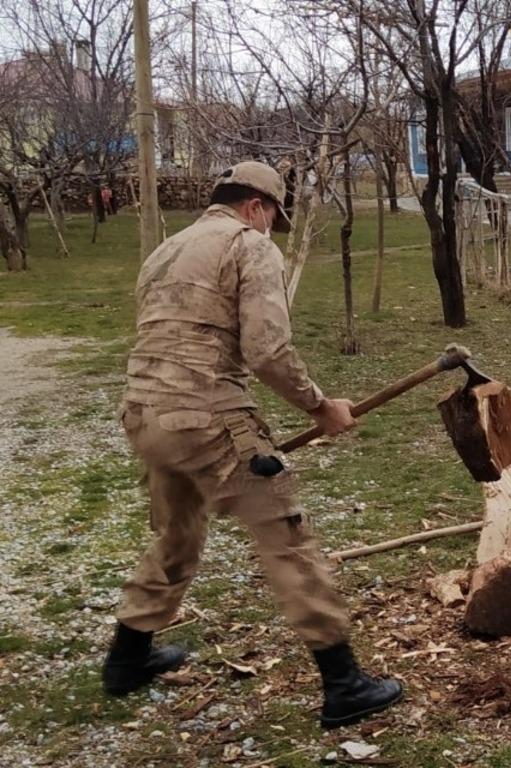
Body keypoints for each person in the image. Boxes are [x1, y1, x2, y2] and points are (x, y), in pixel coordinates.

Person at [103, 161, 403, 729]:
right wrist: (320, 406)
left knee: (178, 532)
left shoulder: (168, 249)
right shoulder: (249, 244)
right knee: (288, 538)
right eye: (273, 218)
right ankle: (344, 685)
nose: (272, 229)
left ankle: (127, 659)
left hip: (144, 414)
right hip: (207, 415)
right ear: (255, 207)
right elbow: (266, 348)